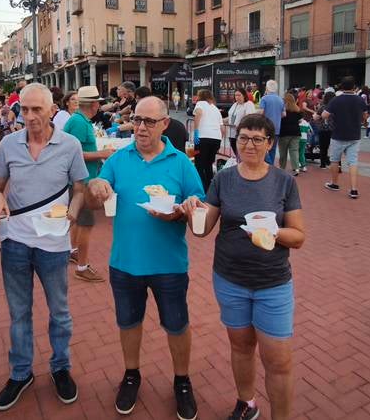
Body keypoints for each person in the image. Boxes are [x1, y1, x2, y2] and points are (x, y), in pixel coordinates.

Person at [86, 96, 205, 420]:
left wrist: (184, 210)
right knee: (128, 323)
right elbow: (97, 195)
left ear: (164, 124)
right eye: (137, 120)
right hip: (125, 262)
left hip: (169, 264)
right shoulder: (119, 159)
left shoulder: (181, 162)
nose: (140, 127)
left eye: (149, 122)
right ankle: (131, 375)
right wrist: (96, 187)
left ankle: (182, 381)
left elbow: (199, 205)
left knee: (177, 325)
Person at [189, 113, 305, 420]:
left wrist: (271, 232)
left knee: (278, 360)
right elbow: (202, 230)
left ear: (269, 144)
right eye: (243, 138)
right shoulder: (223, 179)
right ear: (235, 141)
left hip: (272, 283)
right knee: (240, 347)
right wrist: (191, 210)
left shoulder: (284, 182)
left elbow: (298, 236)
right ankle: (247, 404)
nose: (249, 145)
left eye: (257, 139)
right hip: (230, 279)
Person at [0, 83, 88, 411]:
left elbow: (79, 188)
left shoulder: (70, 145)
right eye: (25, 109)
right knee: (19, 312)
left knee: (59, 310)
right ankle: (21, 373)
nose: (29, 116)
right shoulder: (9, 144)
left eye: (37, 110)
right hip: (15, 240)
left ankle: (60, 368)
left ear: (52, 111)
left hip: (53, 242)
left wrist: (73, 213)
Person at [63, 86, 113, 283]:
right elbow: (72, 154)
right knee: (86, 224)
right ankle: (82, 267)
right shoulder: (79, 122)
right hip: (82, 182)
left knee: (78, 220)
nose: (99, 106)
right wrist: (102, 154)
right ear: (93, 105)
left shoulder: (79, 120)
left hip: (81, 179)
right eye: (98, 103)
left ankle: (73, 251)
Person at [322, 77, 368, 199]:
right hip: (355, 135)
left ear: (342, 87)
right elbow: (365, 115)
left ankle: (334, 183)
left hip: (338, 135)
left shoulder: (336, 100)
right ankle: (354, 189)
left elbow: (324, 115)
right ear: (354, 87)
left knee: (335, 160)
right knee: (353, 162)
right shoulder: (359, 99)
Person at [193, 89, 223, 191]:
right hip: (216, 139)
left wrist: (196, 131)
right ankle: (210, 187)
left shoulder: (200, 104)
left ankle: (201, 188)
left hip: (203, 138)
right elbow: (222, 128)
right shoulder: (215, 108)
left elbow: (198, 114)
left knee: (199, 164)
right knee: (208, 164)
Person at [227, 89, 257, 160]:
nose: (237, 97)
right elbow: (231, 116)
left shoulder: (248, 104)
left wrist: (240, 125)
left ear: (244, 95)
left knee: (242, 154)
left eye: (239, 95)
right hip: (232, 133)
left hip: (242, 134)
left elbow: (250, 118)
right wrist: (221, 120)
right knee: (237, 154)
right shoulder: (235, 104)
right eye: (235, 95)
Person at [277, 93, 303, 175]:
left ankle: (282, 168)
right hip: (296, 133)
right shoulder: (297, 109)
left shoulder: (283, 110)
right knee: (294, 151)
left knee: (283, 152)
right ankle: (296, 169)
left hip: (284, 132)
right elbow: (300, 121)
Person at [260, 80, 283, 164]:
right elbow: (284, 114)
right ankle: (271, 166)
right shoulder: (280, 99)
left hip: (266, 127)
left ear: (267, 88)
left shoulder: (264, 98)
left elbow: (261, 112)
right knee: (272, 149)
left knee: (263, 147)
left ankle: (268, 164)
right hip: (276, 128)